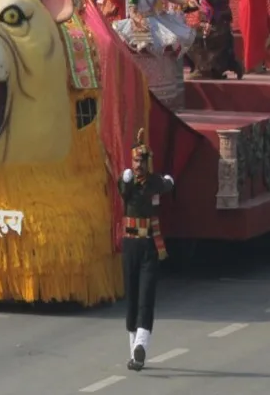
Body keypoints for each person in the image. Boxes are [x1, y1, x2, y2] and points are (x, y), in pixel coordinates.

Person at [118, 129, 174, 371]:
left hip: (150, 245)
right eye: (135, 160)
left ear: (148, 162)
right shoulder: (128, 183)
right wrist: (127, 178)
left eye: (141, 161)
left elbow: (166, 185)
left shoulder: (154, 182)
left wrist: (169, 182)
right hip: (130, 245)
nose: (138, 165)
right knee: (131, 297)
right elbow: (123, 189)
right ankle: (134, 353)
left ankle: (141, 345)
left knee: (146, 296)